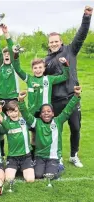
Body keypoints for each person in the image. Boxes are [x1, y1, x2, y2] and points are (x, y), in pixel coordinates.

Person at [44, 6, 93, 167]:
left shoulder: (70, 50)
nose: (54, 44)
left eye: (56, 41)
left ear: (61, 41)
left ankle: (73, 155)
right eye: (51, 42)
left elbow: (81, 35)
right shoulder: (46, 61)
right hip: (56, 100)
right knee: (56, 129)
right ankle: (56, 156)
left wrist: (86, 17)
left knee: (76, 128)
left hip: (72, 97)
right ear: (48, 44)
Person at [13, 49, 69, 158]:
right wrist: (16, 55)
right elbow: (17, 69)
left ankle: (46, 155)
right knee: (32, 135)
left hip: (45, 113)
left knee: (43, 135)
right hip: (32, 113)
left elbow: (65, 76)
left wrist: (65, 64)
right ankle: (31, 156)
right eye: (35, 68)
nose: (37, 70)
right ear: (32, 69)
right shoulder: (29, 79)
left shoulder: (49, 79)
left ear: (44, 68)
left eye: (40, 67)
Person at [18, 86, 82, 179]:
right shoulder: (36, 122)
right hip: (40, 156)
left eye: (49, 111)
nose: (46, 113)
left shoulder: (58, 121)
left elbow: (68, 109)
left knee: (51, 176)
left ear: (53, 113)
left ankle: (59, 165)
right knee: (38, 175)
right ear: (40, 115)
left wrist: (76, 95)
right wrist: (21, 101)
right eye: (43, 112)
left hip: (53, 156)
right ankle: (41, 165)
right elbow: (26, 115)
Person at [0, 101, 35, 183]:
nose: (14, 114)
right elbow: (2, 126)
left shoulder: (24, 121)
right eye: (11, 112)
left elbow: (28, 112)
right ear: (7, 113)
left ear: (19, 111)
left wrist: (22, 100)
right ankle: (16, 168)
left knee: (30, 179)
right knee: (8, 179)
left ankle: (22, 168)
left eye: (15, 111)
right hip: (12, 157)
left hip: (26, 156)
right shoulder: (6, 124)